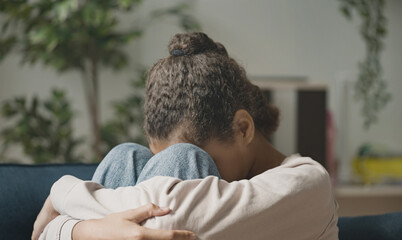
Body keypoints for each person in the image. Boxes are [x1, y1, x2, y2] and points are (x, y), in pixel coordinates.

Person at [33, 32, 338, 240]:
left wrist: (65, 200)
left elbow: (163, 226)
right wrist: (78, 229)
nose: (164, 174)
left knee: (183, 159)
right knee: (126, 155)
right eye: (159, 161)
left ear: (243, 128)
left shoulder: (307, 184)